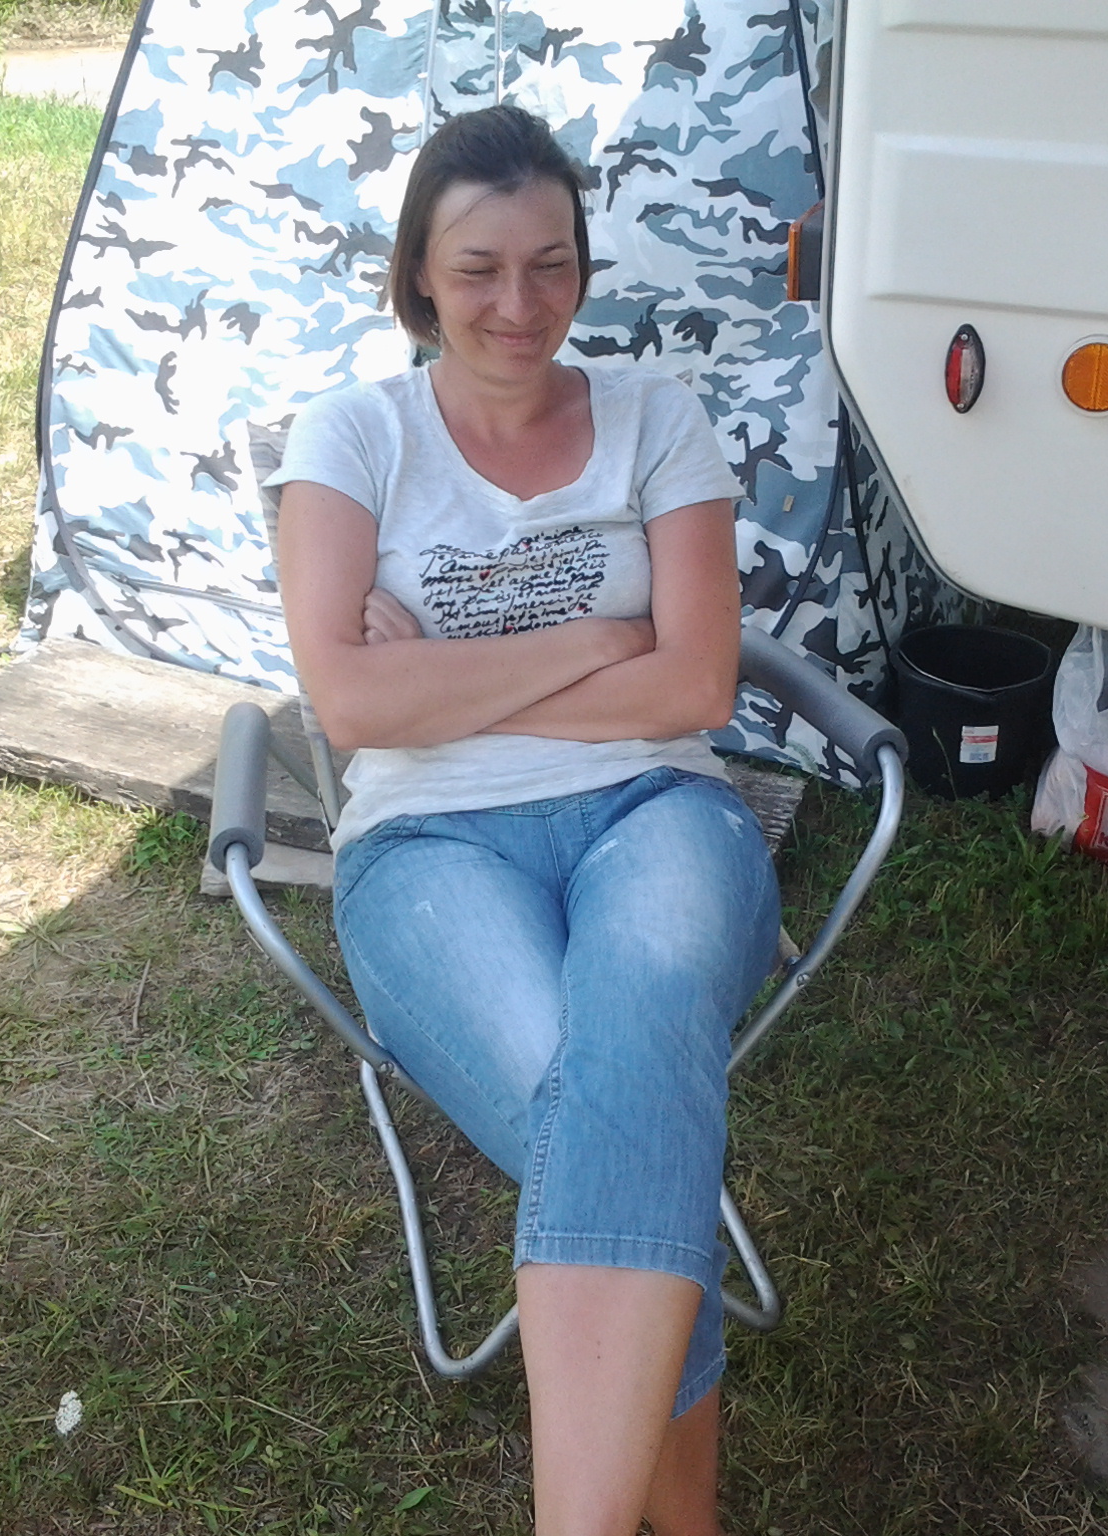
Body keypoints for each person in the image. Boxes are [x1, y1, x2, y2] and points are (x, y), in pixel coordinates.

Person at [264, 103, 780, 1536]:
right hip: (426, 848)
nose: (519, 304)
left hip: (660, 807)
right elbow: (351, 707)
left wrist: (442, 678)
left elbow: (699, 685)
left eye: (551, 265)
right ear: (419, 276)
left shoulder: (655, 420)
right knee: (628, 1112)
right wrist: (598, 644)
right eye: (479, 268)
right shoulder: (354, 435)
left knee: (626, 1066)